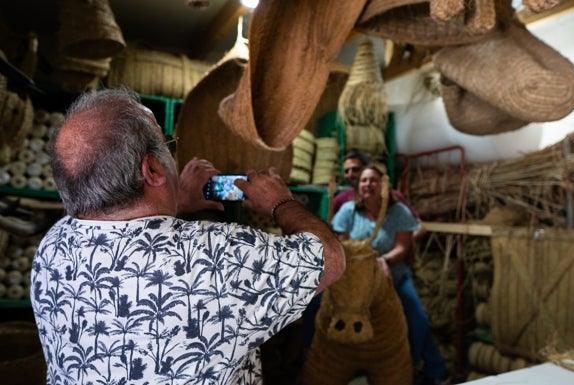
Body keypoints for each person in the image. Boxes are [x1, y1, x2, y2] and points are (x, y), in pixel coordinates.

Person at [30, 88, 345, 385]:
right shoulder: (218, 256)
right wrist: (280, 202)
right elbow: (329, 258)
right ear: (152, 171)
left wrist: (173, 200)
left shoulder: (52, 246)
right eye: (168, 144)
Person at [331, 165, 449, 385]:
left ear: (383, 185)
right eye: (364, 181)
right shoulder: (348, 211)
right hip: (359, 281)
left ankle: (425, 368)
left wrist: (383, 261)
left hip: (393, 276)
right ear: (359, 186)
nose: (368, 185)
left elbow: (402, 247)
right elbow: (343, 245)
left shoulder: (399, 212)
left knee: (417, 318)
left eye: (374, 180)